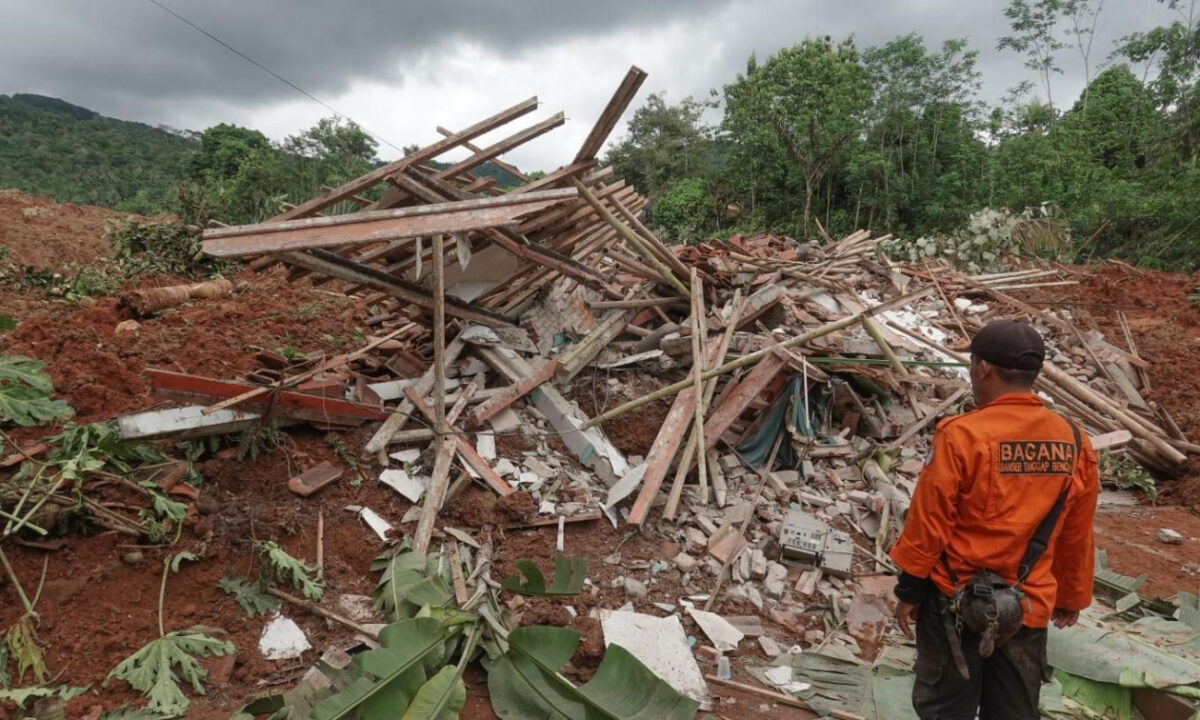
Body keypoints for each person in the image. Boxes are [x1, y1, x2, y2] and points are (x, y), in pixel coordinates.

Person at [889, 319, 1099, 720]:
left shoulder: (961, 435)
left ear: (983, 368)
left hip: (955, 603)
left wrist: (909, 590)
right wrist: (1071, 596)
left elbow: (929, 524)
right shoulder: (1073, 440)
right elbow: (1076, 530)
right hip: (1027, 606)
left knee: (945, 710)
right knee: (1015, 712)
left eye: (972, 366)